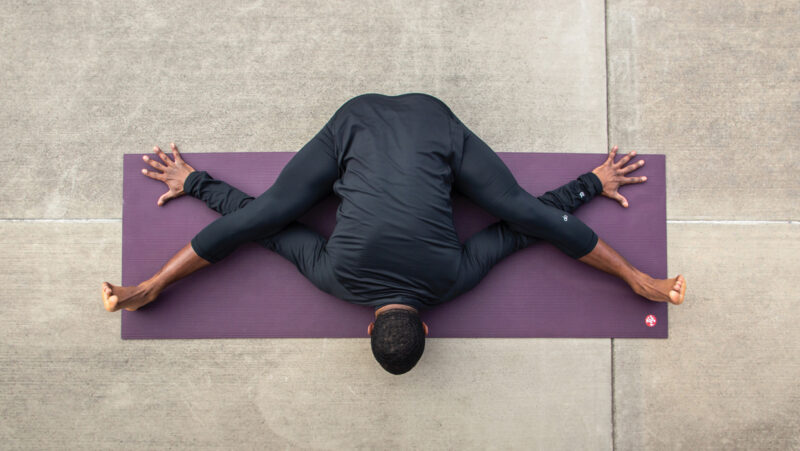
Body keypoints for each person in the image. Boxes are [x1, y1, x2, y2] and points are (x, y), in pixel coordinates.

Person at [102, 93, 686, 375]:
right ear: (369, 326)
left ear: (428, 325)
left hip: (436, 121)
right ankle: (148, 288)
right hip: (352, 123)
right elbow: (261, 228)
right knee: (266, 216)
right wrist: (195, 182)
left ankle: (641, 280)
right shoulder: (338, 280)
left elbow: (525, 228)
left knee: (522, 211)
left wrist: (593, 185)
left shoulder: (450, 282)